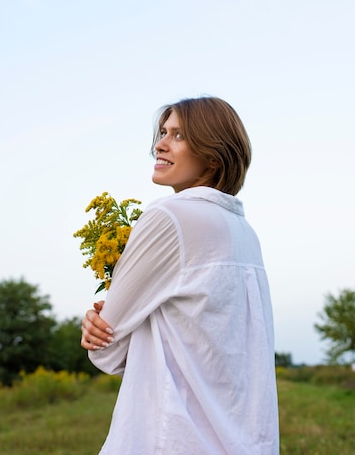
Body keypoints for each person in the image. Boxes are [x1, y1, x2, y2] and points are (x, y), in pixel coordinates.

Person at [81, 96, 279, 454]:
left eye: (179, 135)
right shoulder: (245, 232)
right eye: (162, 132)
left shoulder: (168, 218)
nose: (160, 144)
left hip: (171, 438)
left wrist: (96, 325)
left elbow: (107, 354)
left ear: (213, 154)